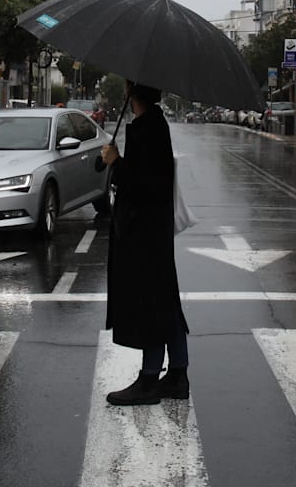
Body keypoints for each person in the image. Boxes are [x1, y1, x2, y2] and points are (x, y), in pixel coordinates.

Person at [99, 81, 190, 405]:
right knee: (164, 299)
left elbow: (145, 184)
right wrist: (114, 160)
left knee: (151, 302)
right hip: (153, 230)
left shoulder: (148, 127)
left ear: (132, 93)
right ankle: (178, 374)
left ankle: (150, 379)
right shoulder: (150, 123)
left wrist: (117, 163)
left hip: (145, 232)